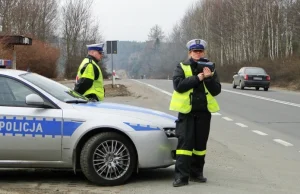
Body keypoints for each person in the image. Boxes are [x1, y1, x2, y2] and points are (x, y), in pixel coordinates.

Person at [169, 39, 221, 187]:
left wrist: (209, 78)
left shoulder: (211, 68)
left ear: (203, 52)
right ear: (190, 53)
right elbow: (178, 86)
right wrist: (197, 78)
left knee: (200, 146)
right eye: (194, 51)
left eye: (200, 51)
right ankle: (181, 177)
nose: (197, 53)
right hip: (187, 113)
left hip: (204, 113)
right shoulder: (182, 67)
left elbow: (216, 90)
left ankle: (196, 174)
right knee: (185, 146)